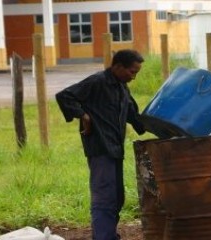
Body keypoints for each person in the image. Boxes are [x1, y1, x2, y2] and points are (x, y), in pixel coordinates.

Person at [55, 49, 146, 240]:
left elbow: (133, 116)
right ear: (118, 66)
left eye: (136, 73)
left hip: (115, 149)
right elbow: (64, 96)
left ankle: (107, 235)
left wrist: (162, 126)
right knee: (105, 197)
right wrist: (83, 116)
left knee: (116, 197)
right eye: (132, 72)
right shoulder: (97, 82)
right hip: (100, 147)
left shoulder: (122, 88)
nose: (134, 77)